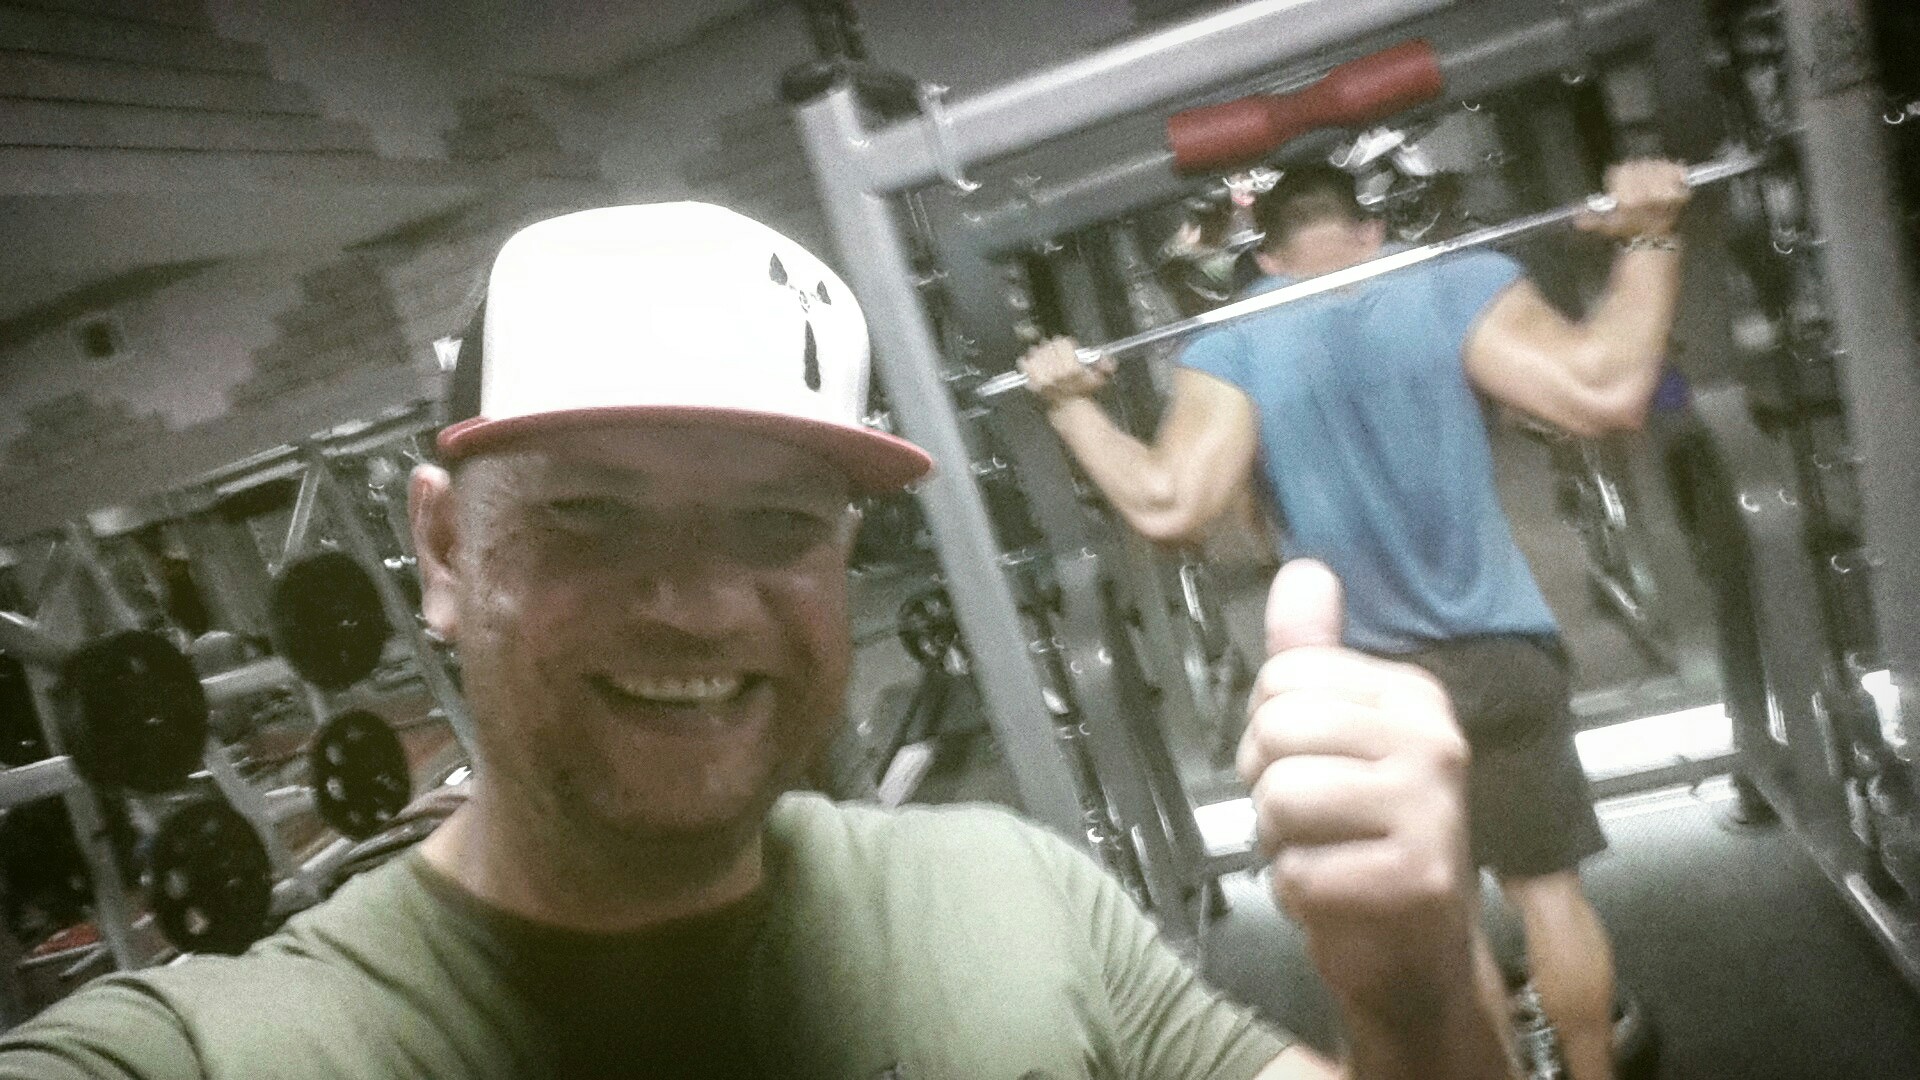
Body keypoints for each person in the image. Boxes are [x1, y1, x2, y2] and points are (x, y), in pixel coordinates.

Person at [0, 202, 1512, 1080]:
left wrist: (1417, 991)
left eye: (776, 523)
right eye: (592, 515)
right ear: (445, 551)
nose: (699, 604)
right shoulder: (220, 1053)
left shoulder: (1017, 896)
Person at [1019, 160, 1694, 1080]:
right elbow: (1605, 391)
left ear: (1265, 254)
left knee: (1451, 931)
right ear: (1371, 227)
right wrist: (1651, 234)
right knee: (1551, 899)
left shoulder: (1235, 335)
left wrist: (1071, 408)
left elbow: (1170, 505)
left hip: (1371, 698)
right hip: (1503, 651)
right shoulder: (1451, 281)